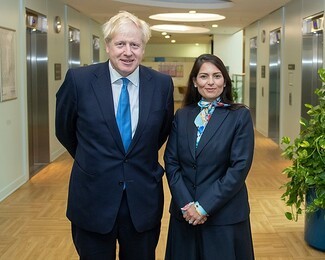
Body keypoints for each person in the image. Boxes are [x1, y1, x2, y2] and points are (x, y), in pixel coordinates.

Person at [55, 11, 174, 260]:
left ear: (143, 49)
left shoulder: (162, 84)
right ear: (108, 46)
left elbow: (160, 133)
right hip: (92, 199)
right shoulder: (79, 81)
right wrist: (94, 159)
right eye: (120, 43)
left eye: (135, 44)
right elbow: (65, 130)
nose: (127, 52)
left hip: (142, 202)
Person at [163, 53, 255, 260]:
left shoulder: (239, 115)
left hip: (224, 215)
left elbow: (238, 168)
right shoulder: (183, 115)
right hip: (185, 215)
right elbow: (171, 162)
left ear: (225, 81)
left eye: (217, 76)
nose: (211, 82)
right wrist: (188, 205)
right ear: (195, 82)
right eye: (204, 76)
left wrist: (203, 206)